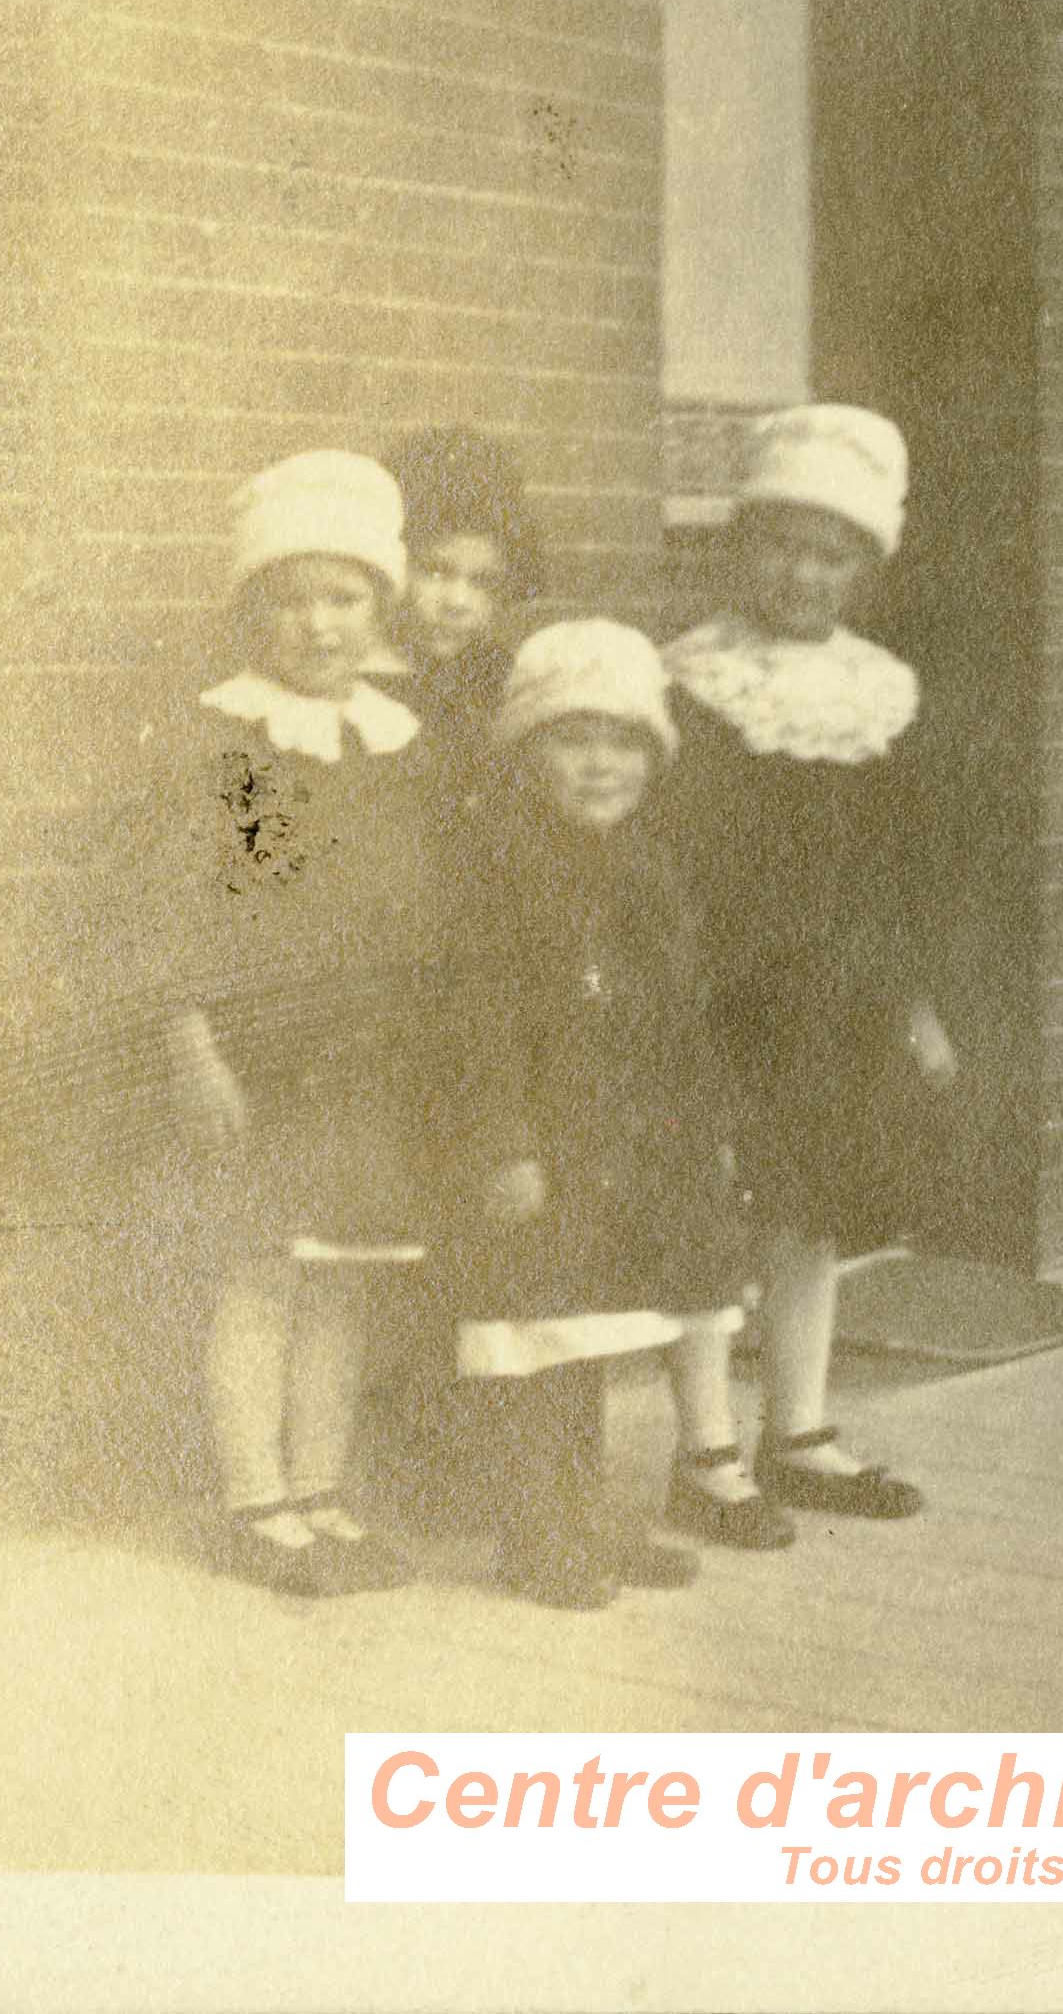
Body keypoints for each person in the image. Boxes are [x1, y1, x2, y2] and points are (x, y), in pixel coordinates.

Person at [102, 449, 444, 1597]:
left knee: (342, 1276)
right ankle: (256, 1500)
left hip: (366, 1063)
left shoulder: (392, 742)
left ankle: (322, 1489)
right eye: (290, 599)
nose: (317, 625)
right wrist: (194, 1051)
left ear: (377, 610)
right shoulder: (234, 746)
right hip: (260, 1064)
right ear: (253, 613)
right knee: (258, 1275)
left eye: (343, 598)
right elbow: (178, 913)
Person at [663, 405, 958, 1543]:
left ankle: (798, 1429)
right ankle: (703, 1451)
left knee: (813, 1211)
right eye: (782, 543)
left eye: (831, 554)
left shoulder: (880, 694)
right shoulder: (692, 682)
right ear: (743, 547)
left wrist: (915, 1004)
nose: (803, 572)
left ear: (862, 572)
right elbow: (668, 860)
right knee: (706, 1211)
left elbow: (903, 869)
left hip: (834, 1000)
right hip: (718, 994)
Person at [448, 621, 752, 1612]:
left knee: (598, 1332)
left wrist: (699, 1126)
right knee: (542, 1344)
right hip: (544, 1138)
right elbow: (480, 1016)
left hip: (628, 1139)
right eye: (573, 739)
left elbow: (679, 1011)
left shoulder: (645, 868)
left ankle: (589, 1515)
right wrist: (505, 1142)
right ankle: (536, 1533)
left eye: (623, 743)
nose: (599, 763)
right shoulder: (499, 866)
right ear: (528, 751)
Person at [379, 426, 545, 768]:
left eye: (483, 582)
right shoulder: (354, 682)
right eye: (436, 572)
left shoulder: (499, 680)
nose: (457, 602)